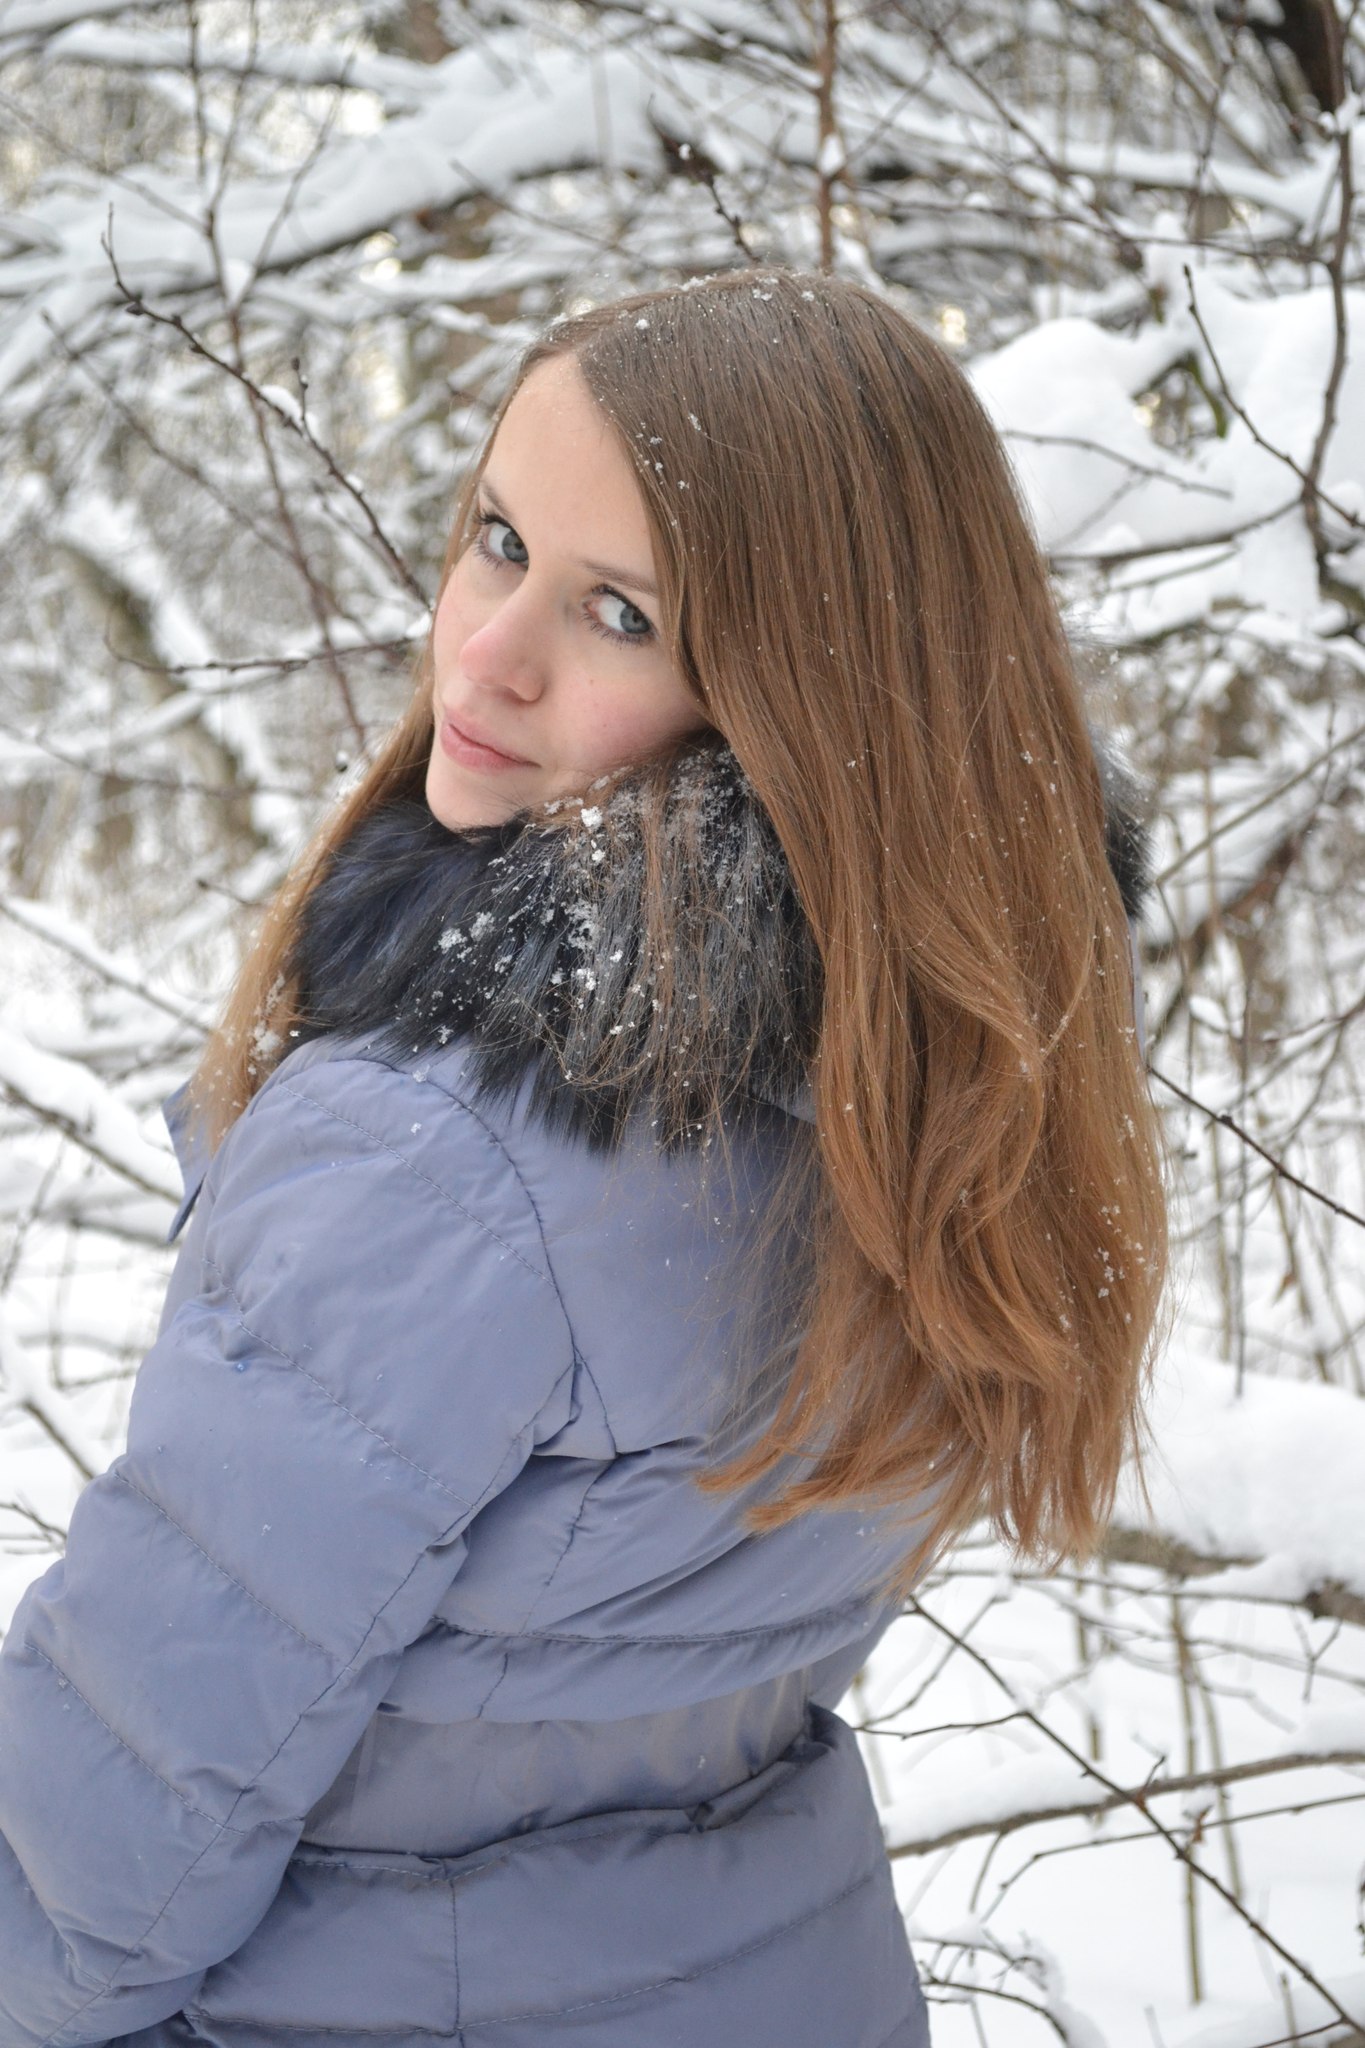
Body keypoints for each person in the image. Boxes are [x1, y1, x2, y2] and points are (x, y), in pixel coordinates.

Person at [0, 268, 1169, 2047]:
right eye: (497, 541)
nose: (488, 652)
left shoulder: (438, 1163)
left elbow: (89, 1884)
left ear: (807, 695)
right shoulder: (930, 1088)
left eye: (619, 612)